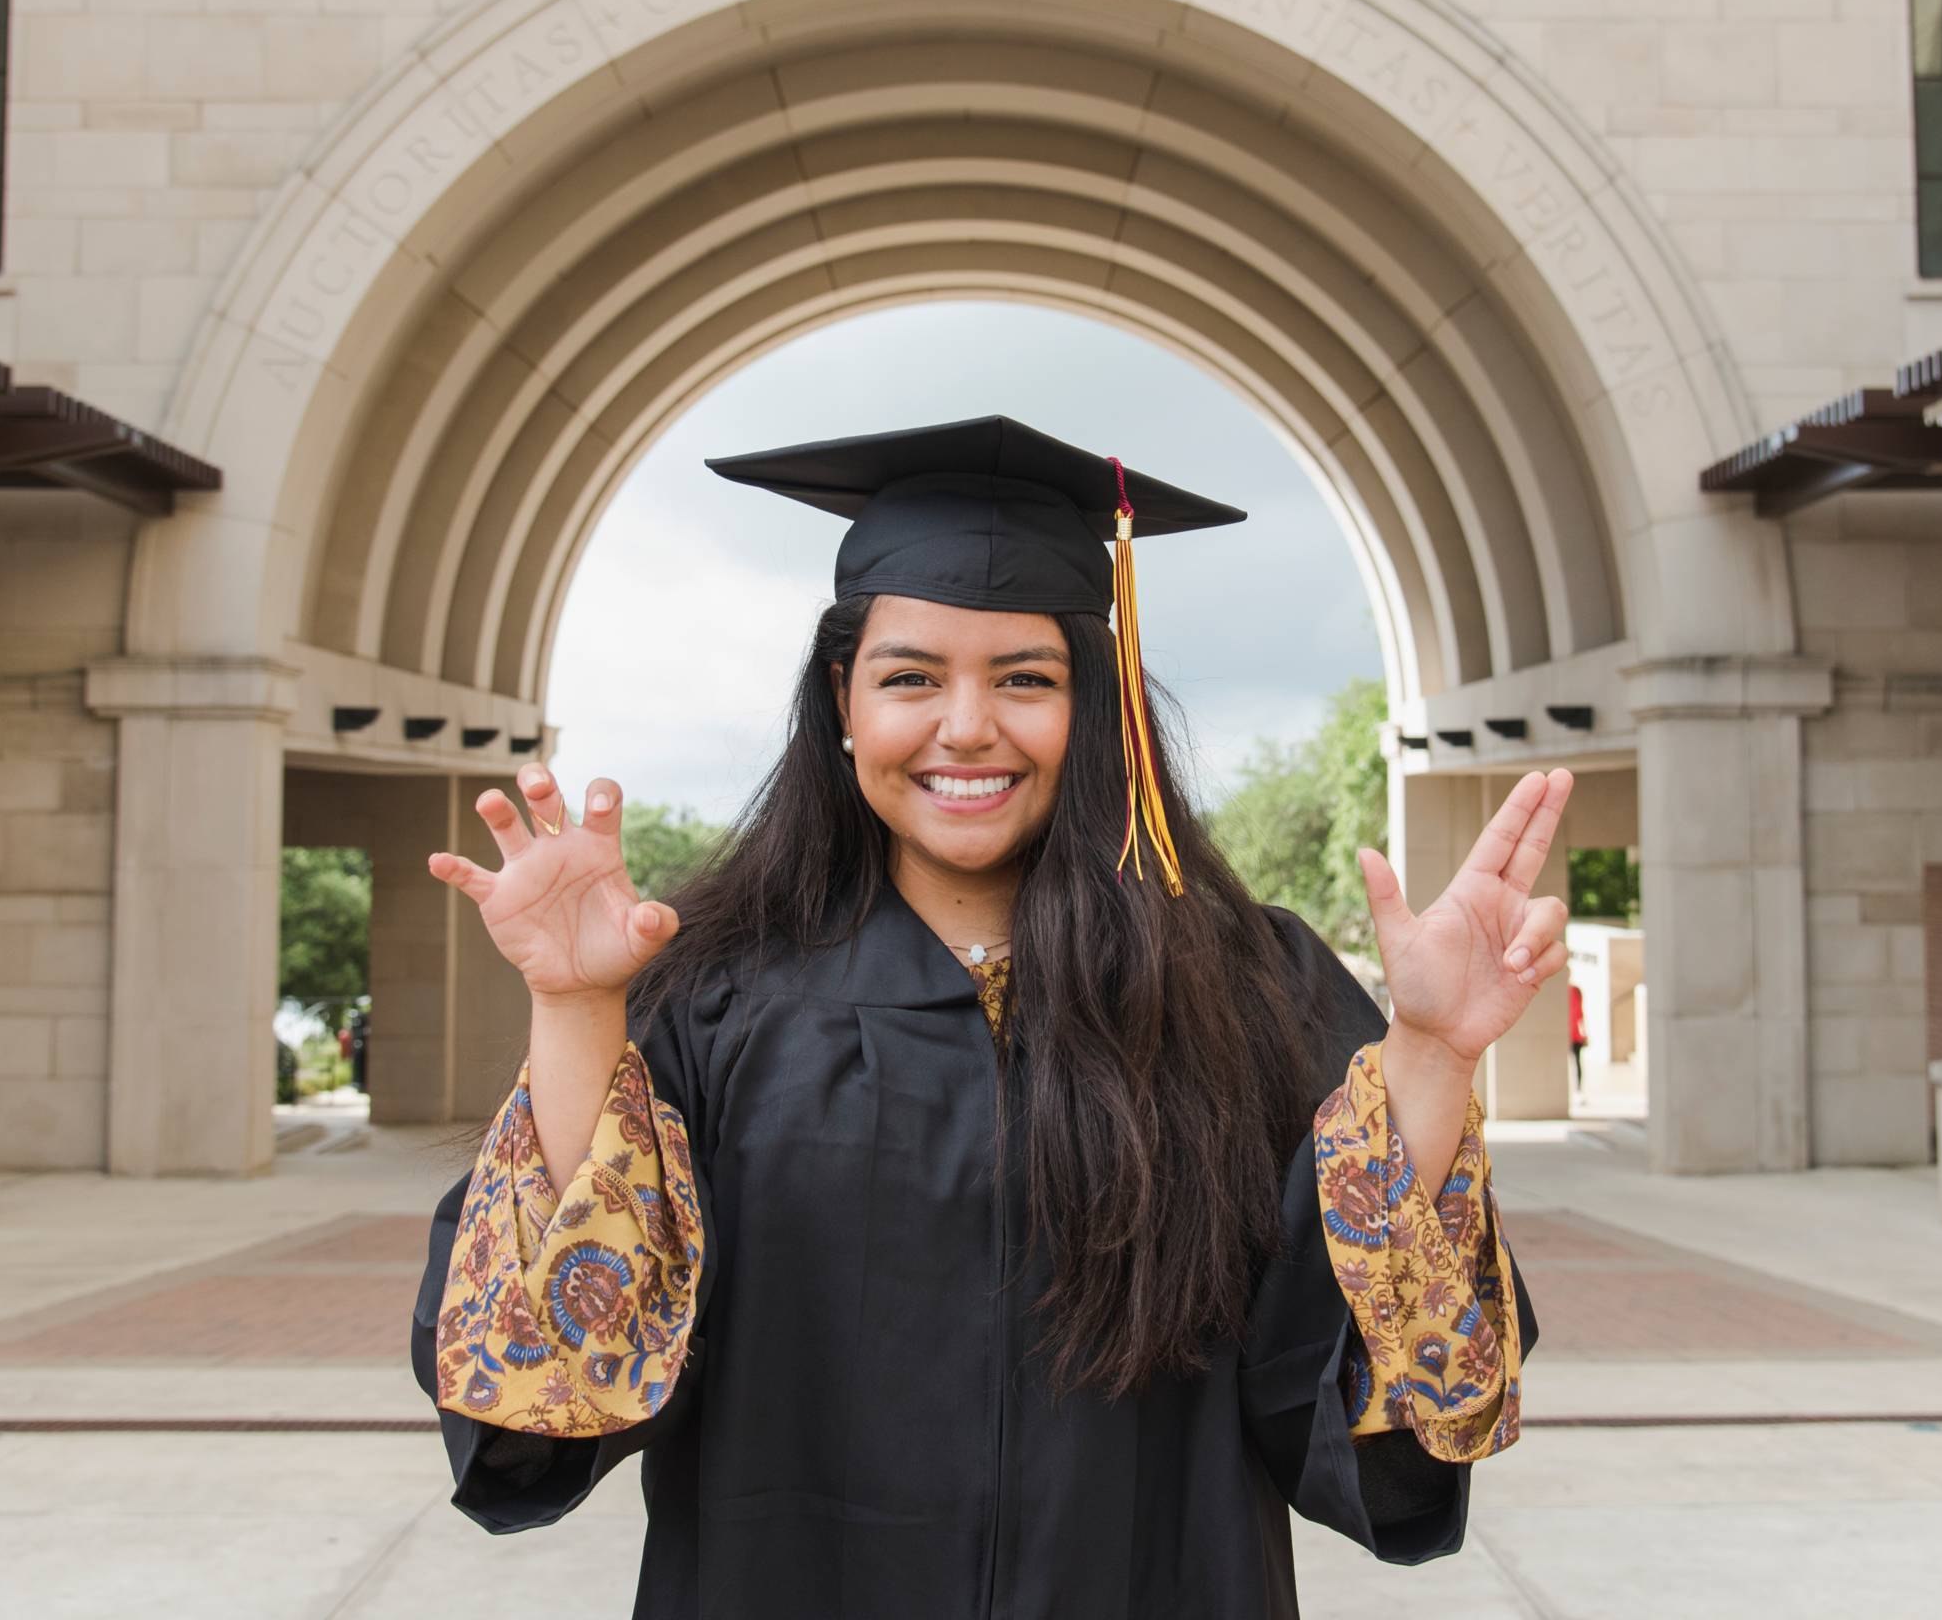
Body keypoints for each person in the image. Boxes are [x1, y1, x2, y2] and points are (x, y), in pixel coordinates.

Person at [409, 415, 1567, 1619]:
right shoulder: (717, 997)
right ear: (842, 706)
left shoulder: (1243, 984)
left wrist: (1429, 1052)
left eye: (1025, 678)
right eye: (909, 677)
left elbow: (1369, 1401)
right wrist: (574, 1009)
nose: (966, 726)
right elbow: (543, 1395)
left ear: (1099, 711)